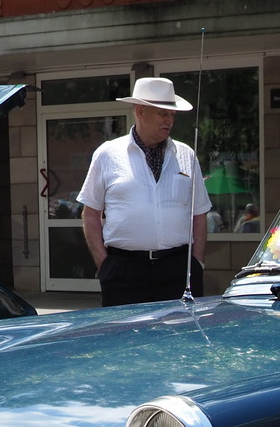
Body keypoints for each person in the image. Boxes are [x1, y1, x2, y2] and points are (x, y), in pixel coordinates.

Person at [79, 77, 211, 305]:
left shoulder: (186, 154)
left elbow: (199, 213)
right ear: (140, 111)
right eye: (163, 113)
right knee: (129, 339)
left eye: (172, 115)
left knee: (181, 339)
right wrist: (105, 264)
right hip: (124, 271)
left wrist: (197, 262)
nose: (169, 120)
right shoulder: (108, 154)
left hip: (178, 269)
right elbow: (90, 213)